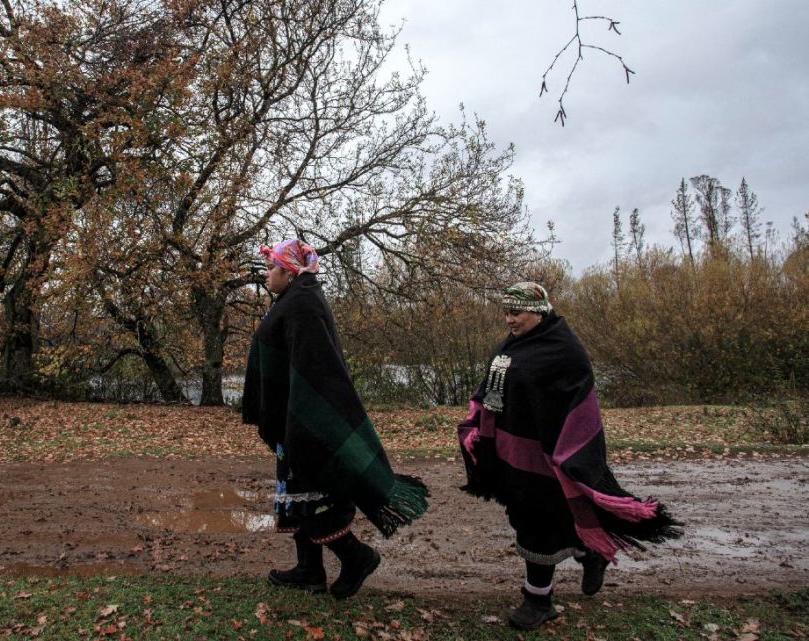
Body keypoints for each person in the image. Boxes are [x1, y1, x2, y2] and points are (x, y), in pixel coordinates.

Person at [457, 282, 682, 630]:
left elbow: (575, 403)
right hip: (513, 454)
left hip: (548, 457)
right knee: (542, 518)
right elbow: (491, 389)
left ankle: (538, 601)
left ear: (539, 312)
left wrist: (565, 451)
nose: (509, 319)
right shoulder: (511, 346)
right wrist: (478, 429)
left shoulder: (562, 350)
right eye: (506, 312)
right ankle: (589, 553)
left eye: (516, 312)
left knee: (537, 526)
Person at [241, 239, 429, 599]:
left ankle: (358, 557)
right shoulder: (294, 299)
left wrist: (302, 420)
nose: (266, 275)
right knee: (298, 497)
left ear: (287, 271)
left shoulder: (302, 304)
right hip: (291, 418)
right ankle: (309, 570)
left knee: (314, 498)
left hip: (306, 421)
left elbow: (315, 371)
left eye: (270, 268)